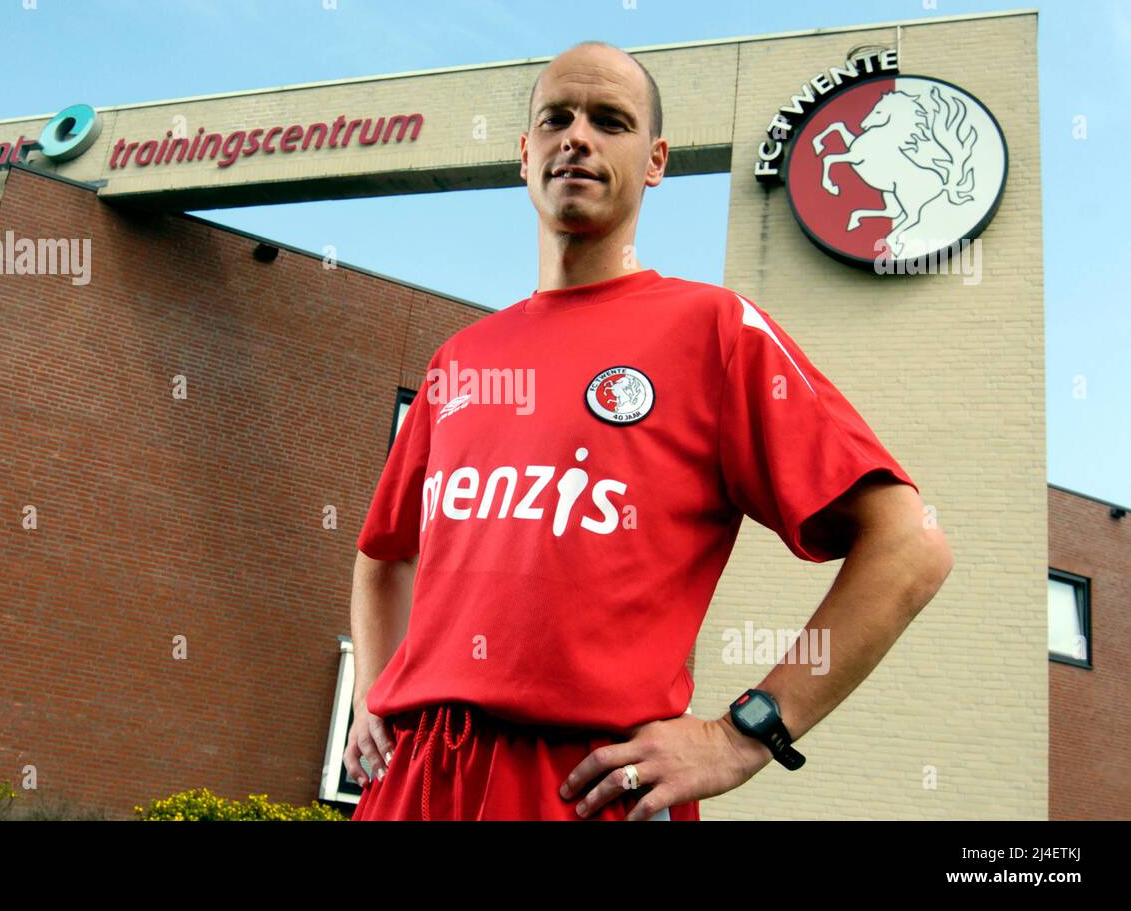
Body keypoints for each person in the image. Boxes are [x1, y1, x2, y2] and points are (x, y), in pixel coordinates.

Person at [345, 40, 954, 821]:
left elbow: (911, 545)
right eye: (556, 118)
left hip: (586, 784)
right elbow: (383, 550)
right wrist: (374, 689)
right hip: (418, 782)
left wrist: (746, 733)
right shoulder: (461, 359)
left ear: (657, 159)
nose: (578, 137)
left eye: (610, 120)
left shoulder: (712, 329)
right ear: (524, 152)